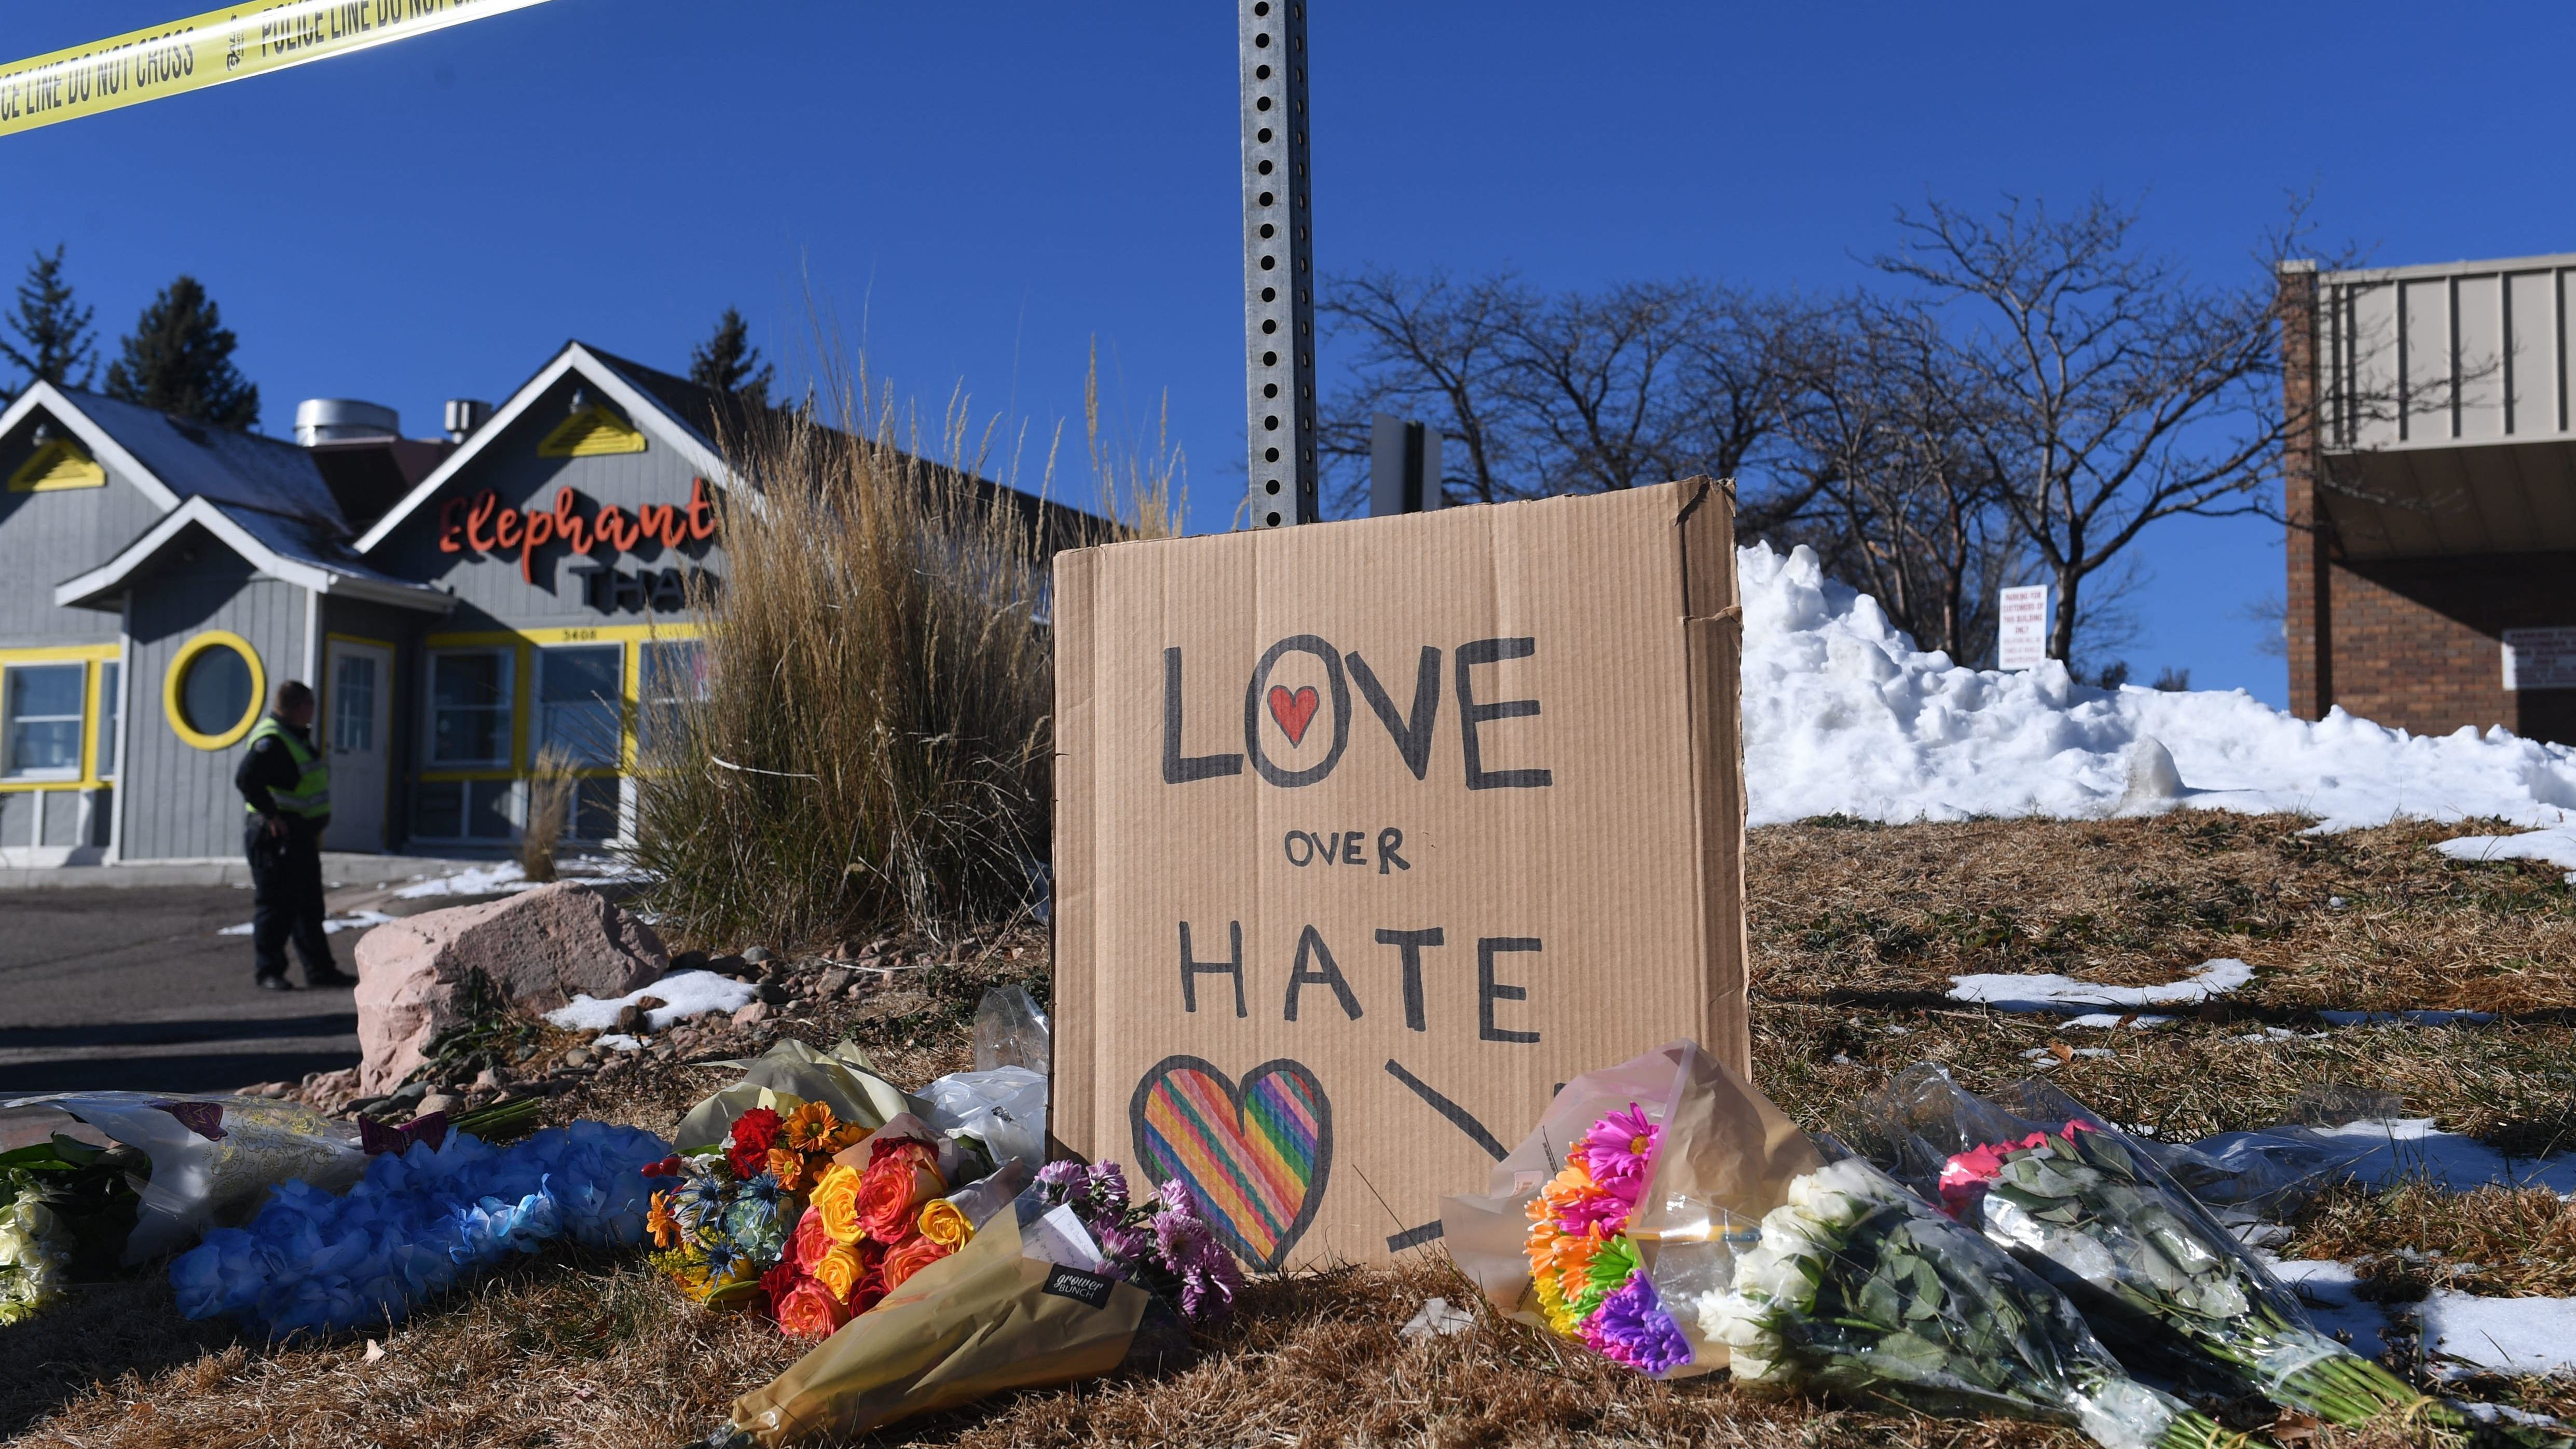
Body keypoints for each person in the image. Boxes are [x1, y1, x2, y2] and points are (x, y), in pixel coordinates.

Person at [235, 680, 357, 991]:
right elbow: (246, 779)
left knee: (308, 907)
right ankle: (269, 972)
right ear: (297, 706)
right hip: (275, 838)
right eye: (310, 705)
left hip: (299, 837)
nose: (313, 712)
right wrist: (271, 815)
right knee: (275, 906)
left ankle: (320, 971)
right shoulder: (272, 741)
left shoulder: (294, 738)